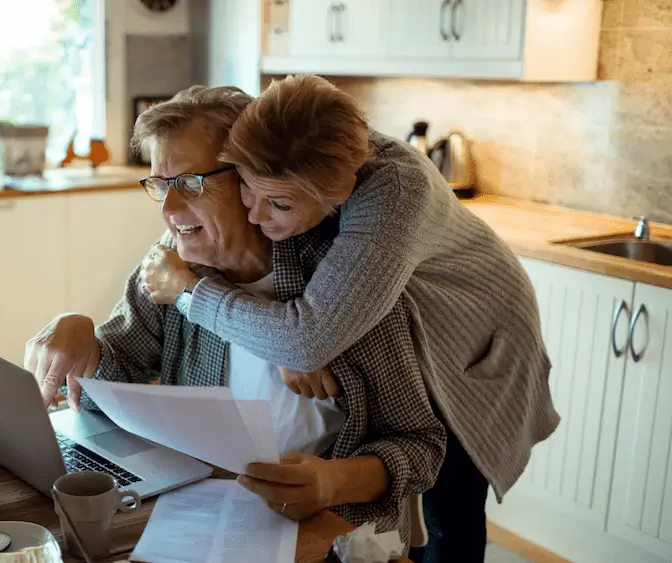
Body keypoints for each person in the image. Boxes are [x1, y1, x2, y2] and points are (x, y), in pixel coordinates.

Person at [139, 75, 559, 563]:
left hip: (474, 336)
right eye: (248, 192)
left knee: (453, 506)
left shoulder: (394, 193)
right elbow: (302, 335)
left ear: (340, 195)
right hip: (390, 313)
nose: (256, 216)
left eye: (279, 204)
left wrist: (201, 297)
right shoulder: (277, 150)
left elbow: (306, 341)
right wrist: (295, 336)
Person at [26, 85, 445, 551]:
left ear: (251, 175)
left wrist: (333, 482)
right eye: (160, 185)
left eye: (190, 183)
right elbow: (109, 393)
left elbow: (420, 445)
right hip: (204, 519)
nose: (168, 210)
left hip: (326, 537)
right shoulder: (170, 269)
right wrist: (78, 331)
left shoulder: (342, 290)